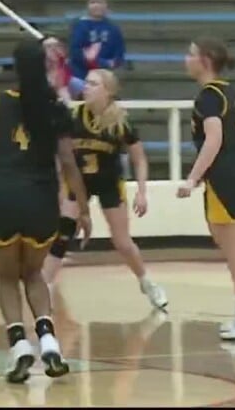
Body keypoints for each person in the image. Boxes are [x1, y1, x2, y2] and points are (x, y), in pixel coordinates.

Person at [0, 39, 91, 384]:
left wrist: (0, 156)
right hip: (41, 202)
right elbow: (69, 163)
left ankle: (19, 346)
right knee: (35, 275)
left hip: (4, 199)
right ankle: (50, 341)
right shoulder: (56, 108)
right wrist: (82, 209)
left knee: (8, 277)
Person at [41, 69, 167, 309]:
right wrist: (59, 189)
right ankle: (45, 285)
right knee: (64, 231)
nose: (86, 87)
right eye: (86, 83)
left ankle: (146, 281)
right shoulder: (74, 116)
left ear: (107, 91)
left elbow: (139, 159)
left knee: (122, 242)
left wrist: (141, 191)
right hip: (79, 183)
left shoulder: (121, 120)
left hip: (109, 182)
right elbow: (61, 157)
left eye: (93, 84)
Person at [178, 37, 235, 341]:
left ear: (205, 60)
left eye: (191, 54)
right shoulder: (228, 90)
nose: (186, 58)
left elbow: (214, 140)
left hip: (228, 180)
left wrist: (192, 178)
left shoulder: (208, 96)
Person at [68, 0, 126, 81]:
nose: (97, 5)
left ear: (107, 6)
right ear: (87, 6)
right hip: (81, 76)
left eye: (100, 2)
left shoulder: (113, 28)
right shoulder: (79, 26)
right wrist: (102, 63)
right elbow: (76, 52)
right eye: (93, 2)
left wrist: (113, 63)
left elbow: (119, 53)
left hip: (105, 77)